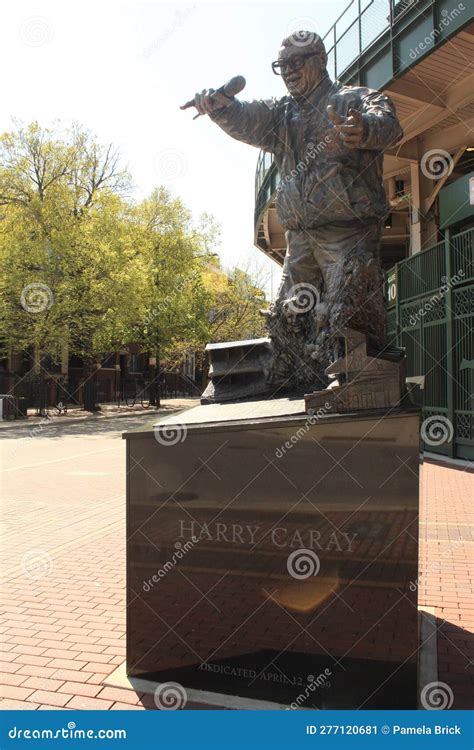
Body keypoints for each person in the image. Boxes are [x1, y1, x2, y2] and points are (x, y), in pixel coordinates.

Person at [189, 31, 403, 383]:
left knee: (349, 311)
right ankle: (292, 383)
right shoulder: (281, 114)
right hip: (300, 236)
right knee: (291, 315)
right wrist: (222, 108)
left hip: (347, 231)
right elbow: (248, 118)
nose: (287, 71)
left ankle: (359, 388)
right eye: (281, 65)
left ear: (320, 60)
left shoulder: (353, 99)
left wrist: (365, 129)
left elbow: (390, 125)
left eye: (296, 62)